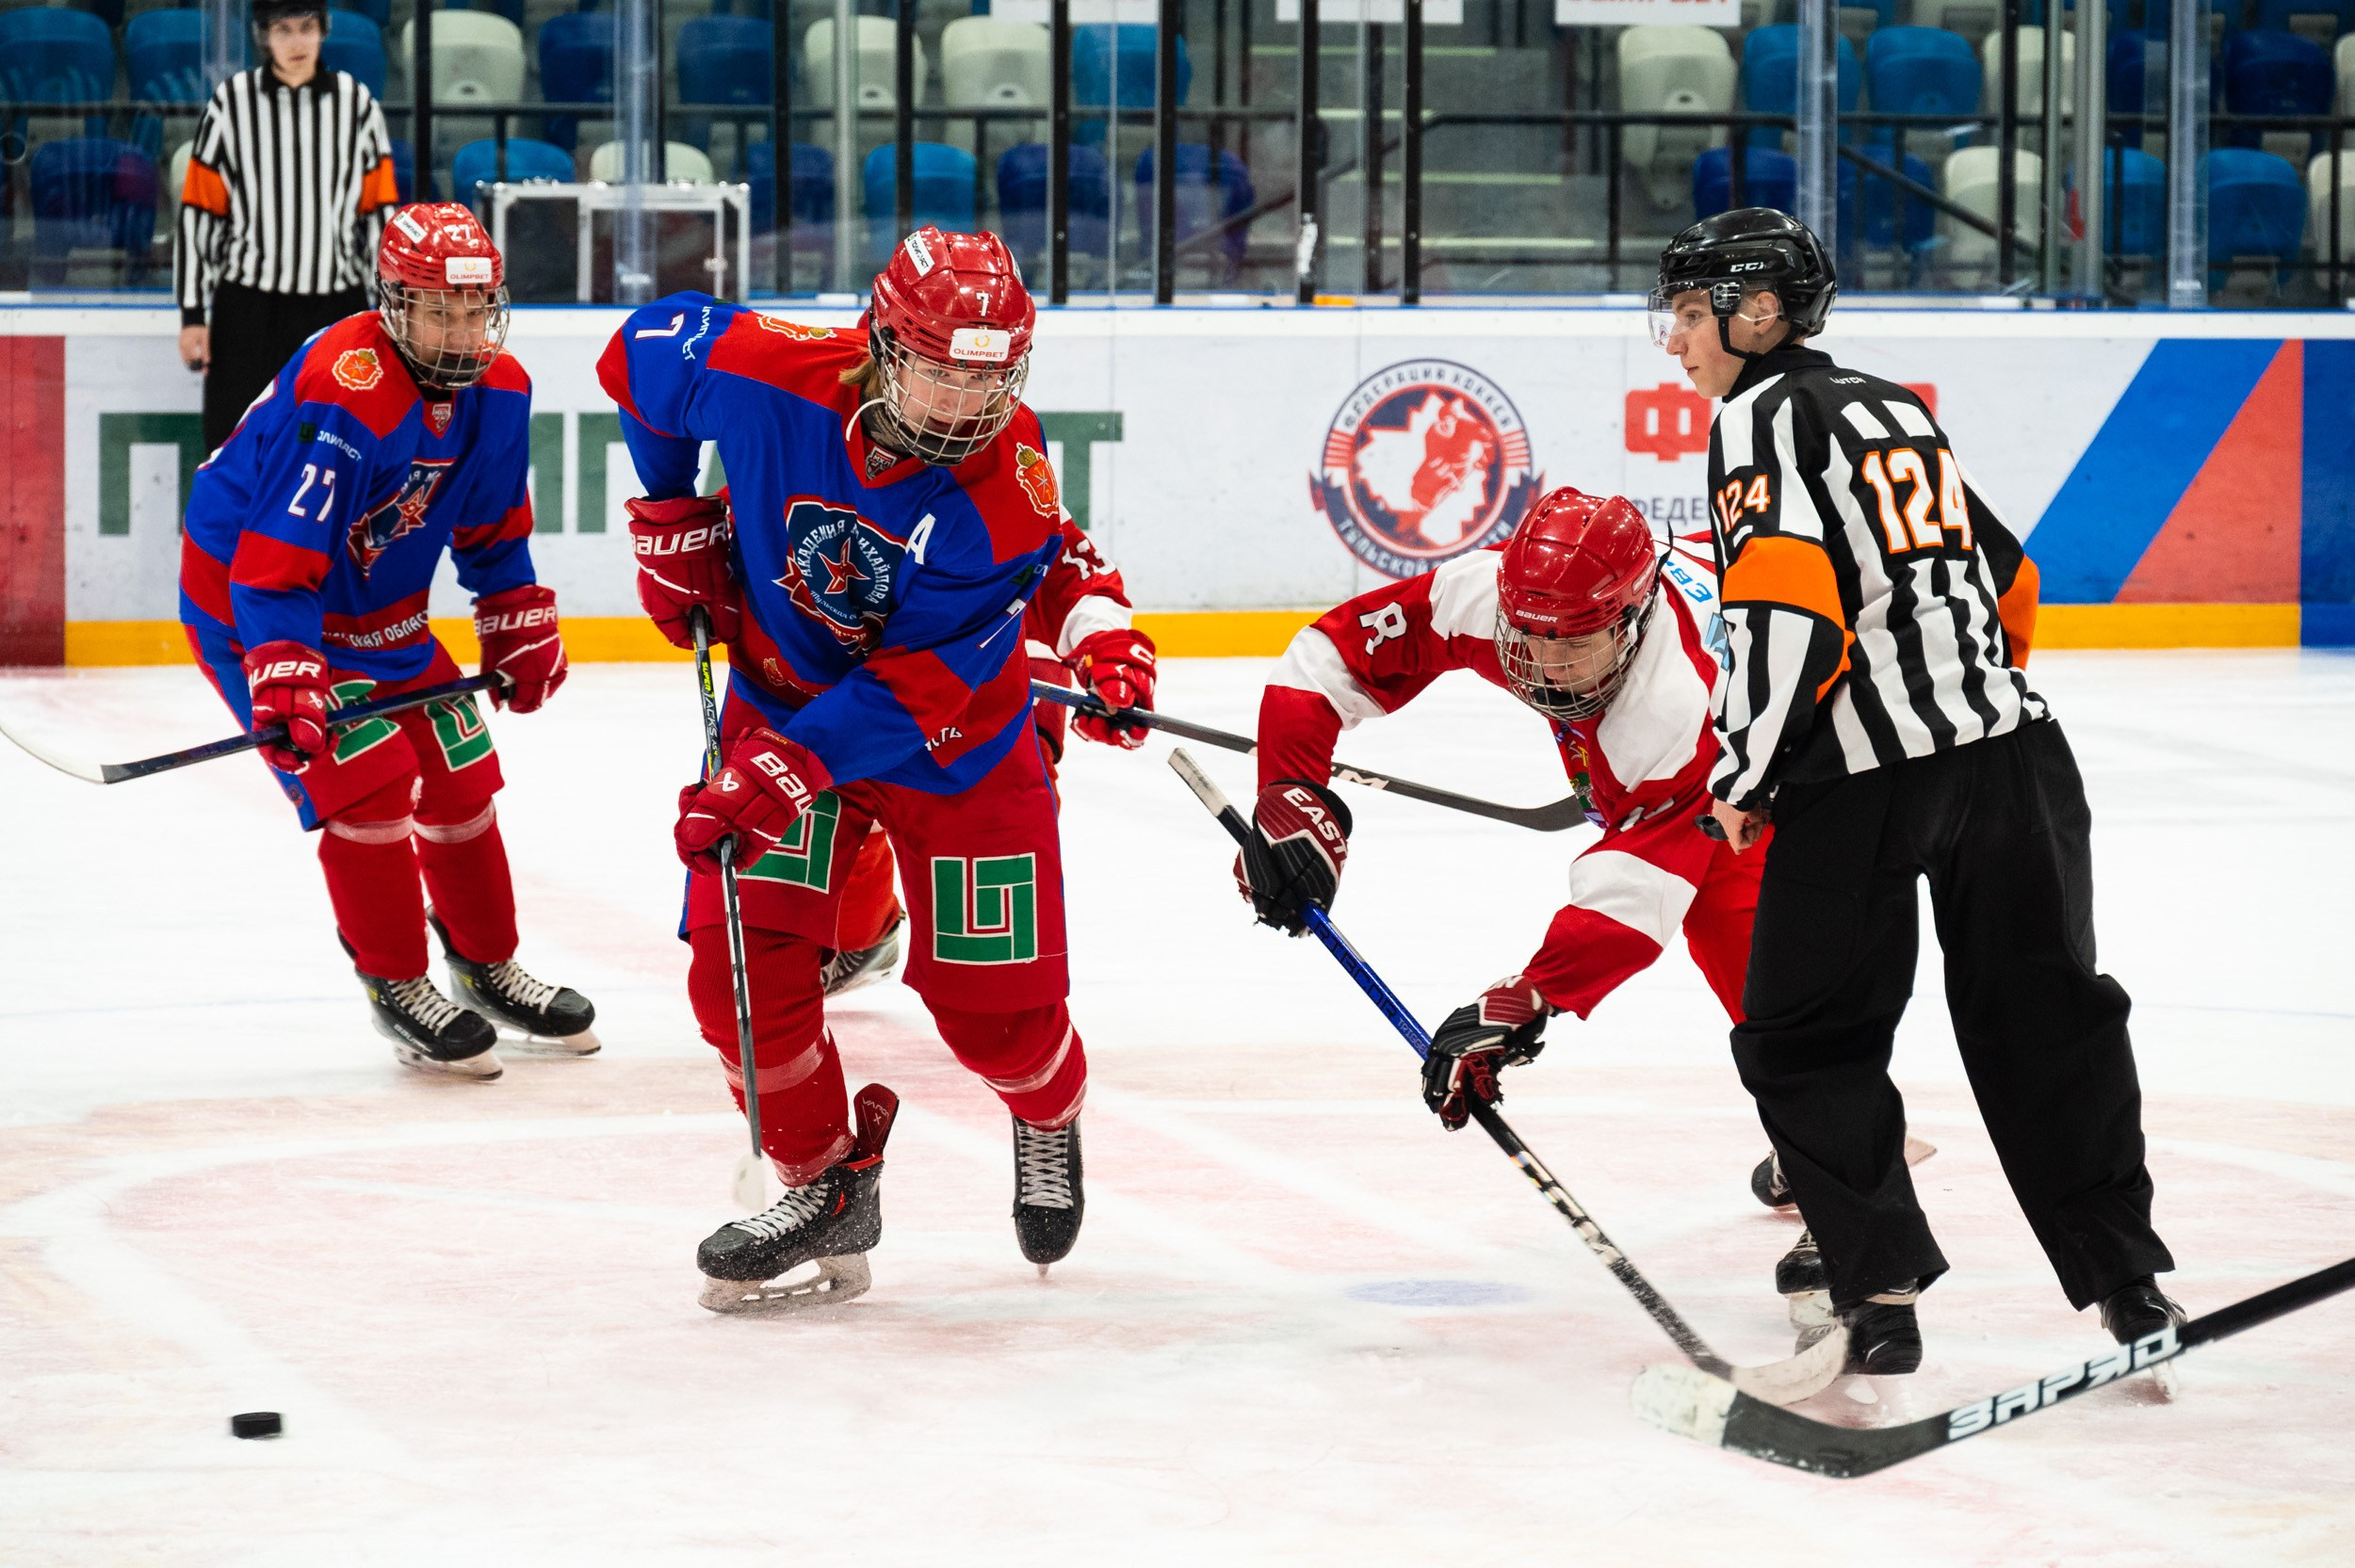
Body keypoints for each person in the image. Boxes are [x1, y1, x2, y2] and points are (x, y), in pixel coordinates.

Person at [1652, 206, 2178, 1377]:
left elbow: (1787, 608)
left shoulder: (1754, 418)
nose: (1674, 341)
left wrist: (1745, 776)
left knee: (1800, 1037)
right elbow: (2012, 577)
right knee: (2048, 1019)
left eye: (1690, 313)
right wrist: (1962, 697)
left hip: (1861, 779)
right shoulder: (1892, 404)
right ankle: (2128, 1286)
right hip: (2012, 759)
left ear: (1757, 312)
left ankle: (1878, 1291)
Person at [602, 228, 1095, 1313]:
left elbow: (924, 688)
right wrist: (670, 512)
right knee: (740, 972)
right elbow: (636, 357)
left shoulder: (1009, 490)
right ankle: (826, 1184)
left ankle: (1046, 1110)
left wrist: (785, 768)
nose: (966, 401)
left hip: (957, 747)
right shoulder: (763, 367)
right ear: (880, 343)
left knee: (995, 1017)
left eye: (990, 376)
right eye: (940, 368)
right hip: (784, 695)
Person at [178, 202, 594, 1079]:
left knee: (459, 771)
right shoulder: (348, 385)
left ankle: (484, 967)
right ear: (396, 304)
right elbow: (271, 563)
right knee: (366, 780)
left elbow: (491, 531)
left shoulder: (502, 389)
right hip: (256, 602)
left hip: (385, 613)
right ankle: (396, 982)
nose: (464, 330)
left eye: (477, 310)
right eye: (441, 310)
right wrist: (285, 671)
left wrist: (513, 614)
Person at [1237, 488, 1762, 1131]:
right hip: (1701, 708)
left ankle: (1837, 1147)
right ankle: (1826, 1131)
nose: (1541, 663)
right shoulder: (1490, 595)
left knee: (1749, 947)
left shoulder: (1668, 708)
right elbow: (1328, 658)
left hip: (1791, 729)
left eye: (1573, 645)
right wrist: (1289, 795)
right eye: (1527, 635)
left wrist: (1529, 996)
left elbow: (1636, 896)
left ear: (1631, 621)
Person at [817, 513, 1156, 997]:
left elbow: (1075, 573)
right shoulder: (823, 459)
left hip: (1006, 674)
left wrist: (1107, 645)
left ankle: (996, 1001)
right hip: (881, 680)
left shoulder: (997, 463)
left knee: (997, 831)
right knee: (838, 805)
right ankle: (864, 936)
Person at [177, 0, 401, 453]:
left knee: (338, 447)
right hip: (248, 308)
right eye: (283, 30)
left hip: (333, 309)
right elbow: (200, 212)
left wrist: (390, 310)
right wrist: (192, 315)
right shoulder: (231, 103)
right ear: (263, 36)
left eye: (307, 28)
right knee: (234, 447)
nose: (297, 42)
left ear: (324, 31)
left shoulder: (356, 105)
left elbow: (380, 216)